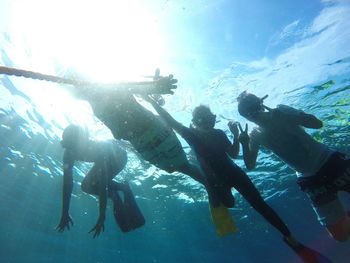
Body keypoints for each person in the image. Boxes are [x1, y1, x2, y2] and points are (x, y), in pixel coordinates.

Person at [145, 97, 331, 263]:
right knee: (229, 202)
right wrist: (153, 103)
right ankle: (212, 191)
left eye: (212, 116)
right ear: (198, 120)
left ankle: (292, 240)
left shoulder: (219, 133)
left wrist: (238, 138)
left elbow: (233, 155)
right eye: (208, 117)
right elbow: (170, 121)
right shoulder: (190, 135)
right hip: (218, 181)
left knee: (260, 204)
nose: (212, 120)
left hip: (235, 174)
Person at [236, 91, 350, 243]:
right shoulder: (255, 134)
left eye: (254, 107)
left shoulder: (281, 110)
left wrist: (289, 118)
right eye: (247, 113)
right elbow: (250, 165)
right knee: (340, 235)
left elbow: (317, 124)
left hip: (330, 161)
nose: (253, 113)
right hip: (311, 180)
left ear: (261, 103)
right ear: (245, 117)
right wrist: (244, 143)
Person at [68, 72, 208, 189]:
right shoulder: (94, 103)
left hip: (155, 131)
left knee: (184, 166)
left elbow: (140, 88)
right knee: (172, 168)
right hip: (140, 142)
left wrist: (158, 86)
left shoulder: (112, 86)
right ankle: (210, 183)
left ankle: (212, 186)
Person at [56, 124, 145, 238]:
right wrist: (64, 212)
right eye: (68, 145)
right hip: (106, 159)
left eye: (74, 145)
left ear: (84, 140)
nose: (73, 151)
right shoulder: (68, 154)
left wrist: (102, 216)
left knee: (98, 184)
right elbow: (67, 184)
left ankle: (124, 188)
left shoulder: (98, 149)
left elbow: (103, 184)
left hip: (119, 157)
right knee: (86, 187)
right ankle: (115, 195)